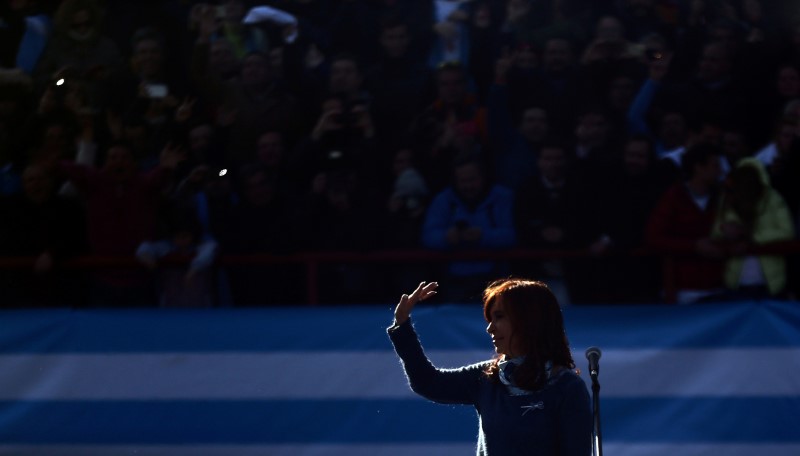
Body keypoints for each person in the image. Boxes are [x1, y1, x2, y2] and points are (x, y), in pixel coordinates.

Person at [387, 279, 592, 456]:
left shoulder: (567, 387)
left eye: (500, 316)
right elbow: (428, 382)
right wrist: (401, 324)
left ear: (530, 320)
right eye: (490, 318)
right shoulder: (486, 377)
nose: (490, 328)